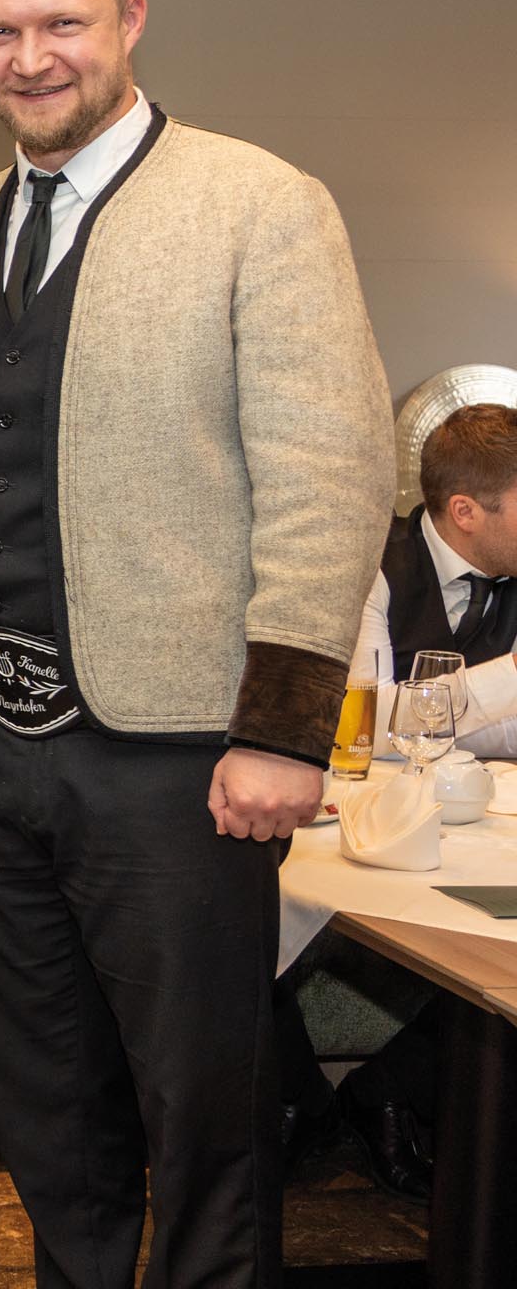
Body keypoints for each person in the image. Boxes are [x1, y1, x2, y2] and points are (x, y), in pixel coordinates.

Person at [0, 0, 396, 1286]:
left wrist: (282, 728)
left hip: (182, 757)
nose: (30, 56)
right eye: (0, 31)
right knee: (44, 1106)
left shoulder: (259, 204)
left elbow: (331, 472)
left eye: (63, 22)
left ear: (132, 19)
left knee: (204, 1113)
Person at [278, 401, 517, 1199]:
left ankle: (390, 1092)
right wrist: (506, 681)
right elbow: (364, 719)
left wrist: (452, 717)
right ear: (466, 511)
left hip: (472, 822)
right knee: (238, 920)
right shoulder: (369, 565)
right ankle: (298, 1105)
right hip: (337, 818)